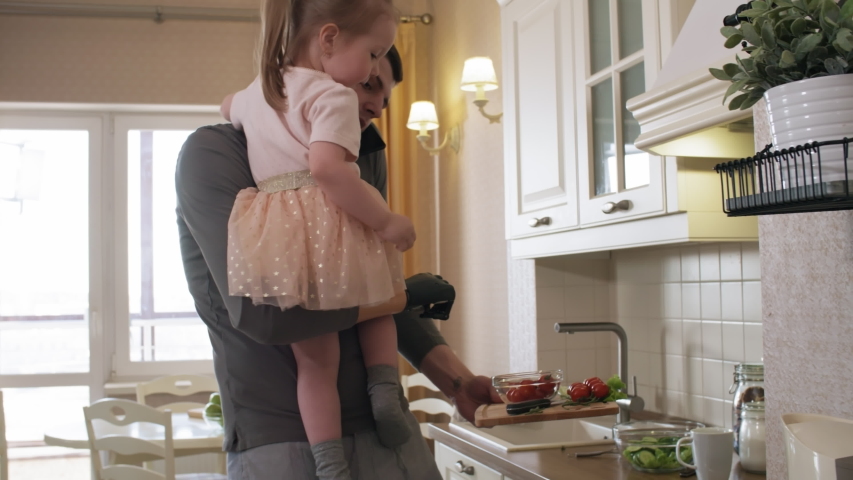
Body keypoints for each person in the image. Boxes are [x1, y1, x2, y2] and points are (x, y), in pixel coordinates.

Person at [175, 46, 502, 480]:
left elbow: (372, 289)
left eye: (382, 93)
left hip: (389, 429)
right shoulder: (214, 152)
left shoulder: (362, 149)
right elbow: (265, 317)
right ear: (318, 62)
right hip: (281, 441)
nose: (373, 107)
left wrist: (458, 382)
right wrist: (401, 295)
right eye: (366, 82)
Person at [218, 0, 413, 476]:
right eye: (372, 54)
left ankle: (328, 464)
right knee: (383, 297)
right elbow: (328, 168)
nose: (371, 70)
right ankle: (385, 385)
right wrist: (386, 221)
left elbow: (225, 108)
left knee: (315, 364)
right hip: (329, 220)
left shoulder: (256, 93)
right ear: (328, 39)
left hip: (277, 237)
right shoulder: (333, 96)